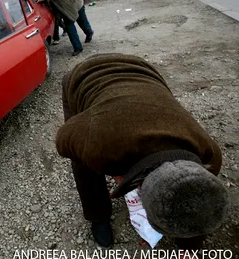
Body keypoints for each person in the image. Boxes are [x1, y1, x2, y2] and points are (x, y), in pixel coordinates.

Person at [55, 53, 229, 250]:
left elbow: (196, 202)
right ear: (138, 188)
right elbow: (63, 140)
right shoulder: (100, 146)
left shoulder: (210, 155)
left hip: (143, 72)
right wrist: (118, 174)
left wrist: (190, 248)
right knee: (84, 167)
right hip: (84, 77)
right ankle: (98, 216)